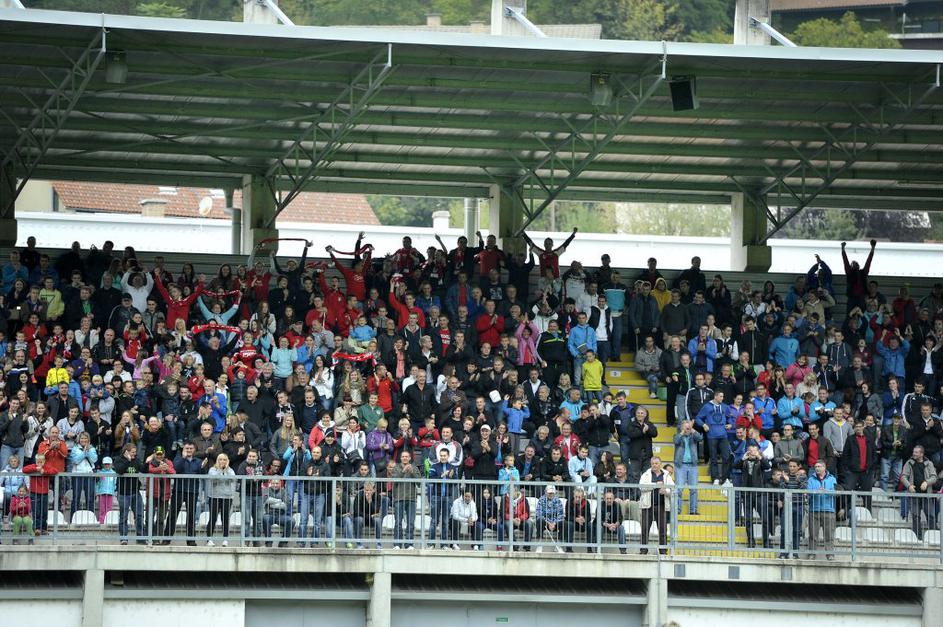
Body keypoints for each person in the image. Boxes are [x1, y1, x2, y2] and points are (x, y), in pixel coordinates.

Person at [900, 445, 938, 540]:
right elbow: (903, 476)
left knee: (931, 516)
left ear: (921, 454)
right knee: (915, 517)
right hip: (914, 495)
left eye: (916, 452)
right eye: (914, 452)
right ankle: (918, 538)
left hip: (927, 496)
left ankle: (934, 538)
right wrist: (909, 486)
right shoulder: (909, 463)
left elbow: (934, 477)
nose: (914, 454)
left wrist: (926, 482)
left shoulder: (929, 463)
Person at [112, 442, 145, 545]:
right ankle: (124, 538)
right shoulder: (118, 459)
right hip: (123, 493)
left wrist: (148, 463)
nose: (134, 454)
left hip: (135, 491)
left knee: (139, 515)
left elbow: (143, 469)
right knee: (124, 516)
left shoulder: (137, 460)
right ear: (126, 452)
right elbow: (119, 470)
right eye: (133, 452)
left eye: (135, 452)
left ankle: (141, 537)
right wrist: (128, 460)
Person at [639, 456, 673, 555]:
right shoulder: (646, 474)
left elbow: (673, 489)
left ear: (660, 464)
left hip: (662, 505)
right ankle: (643, 550)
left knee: (663, 530)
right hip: (647, 505)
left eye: (656, 463)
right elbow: (641, 487)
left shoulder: (666, 475)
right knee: (645, 529)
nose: (654, 465)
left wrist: (665, 491)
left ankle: (663, 551)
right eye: (653, 463)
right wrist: (655, 485)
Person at [807, 459, 838, 560]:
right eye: (815, 467)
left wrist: (826, 491)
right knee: (812, 535)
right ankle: (812, 554)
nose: (817, 468)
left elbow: (835, 492)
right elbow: (808, 492)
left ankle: (830, 554)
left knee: (829, 535)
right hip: (814, 509)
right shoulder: (811, 479)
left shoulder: (832, 479)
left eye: (819, 466)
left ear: (824, 468)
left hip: (828, 509)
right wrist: (816, 491)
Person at [390, 450, 419, 549]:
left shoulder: (414, 468)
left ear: (410, 458)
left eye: (407, 456)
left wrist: (413, 473)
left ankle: (409, 544)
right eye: (403, 456)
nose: (405, 458)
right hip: (399, 498)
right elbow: (394, 481)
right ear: (400, 458)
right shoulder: (396, 468)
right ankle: (397, 544)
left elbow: (420, 483)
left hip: (411, 499)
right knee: (398, 522)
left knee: (410, 523)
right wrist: (403, 472)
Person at [205, 452, 236, 547]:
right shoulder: (212, 469)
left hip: (227, 497)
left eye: (224, 459)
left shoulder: (230, 470)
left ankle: (225, 539)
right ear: (217, 460)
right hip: (214, 497)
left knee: (225, 518)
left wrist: (226, 470)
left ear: (227, 461)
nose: (222, 461)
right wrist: (220, 470)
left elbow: (232, 479)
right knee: (213, 518)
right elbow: (214, 479)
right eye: (220, 459)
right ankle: (209, 539)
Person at [673, 420, 703, 515]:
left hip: (693, 465)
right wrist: (682, 432)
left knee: (693, 489)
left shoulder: (693, 436)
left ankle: (693, 510)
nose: (687, 429)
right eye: (686, 427)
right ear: (682, 428)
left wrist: (692, 430)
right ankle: (677, 510)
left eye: (688, 427)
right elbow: (676, 441)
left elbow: (700, 438)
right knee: (679, 489)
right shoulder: (678, 436)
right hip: (680, 465)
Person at [535, 484, 565, 554]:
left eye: (552, 493)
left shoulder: (558, 501)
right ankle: (539, 544)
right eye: (549, 493)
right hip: (545, 522)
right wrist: (548, 523)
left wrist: (554, 523)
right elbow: (539, 514)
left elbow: (560, 515)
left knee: (564, 523)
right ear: (545, 492)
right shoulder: (541, 500)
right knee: (539, 520)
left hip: (555, 523)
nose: (551, 494)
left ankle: (558, 544)